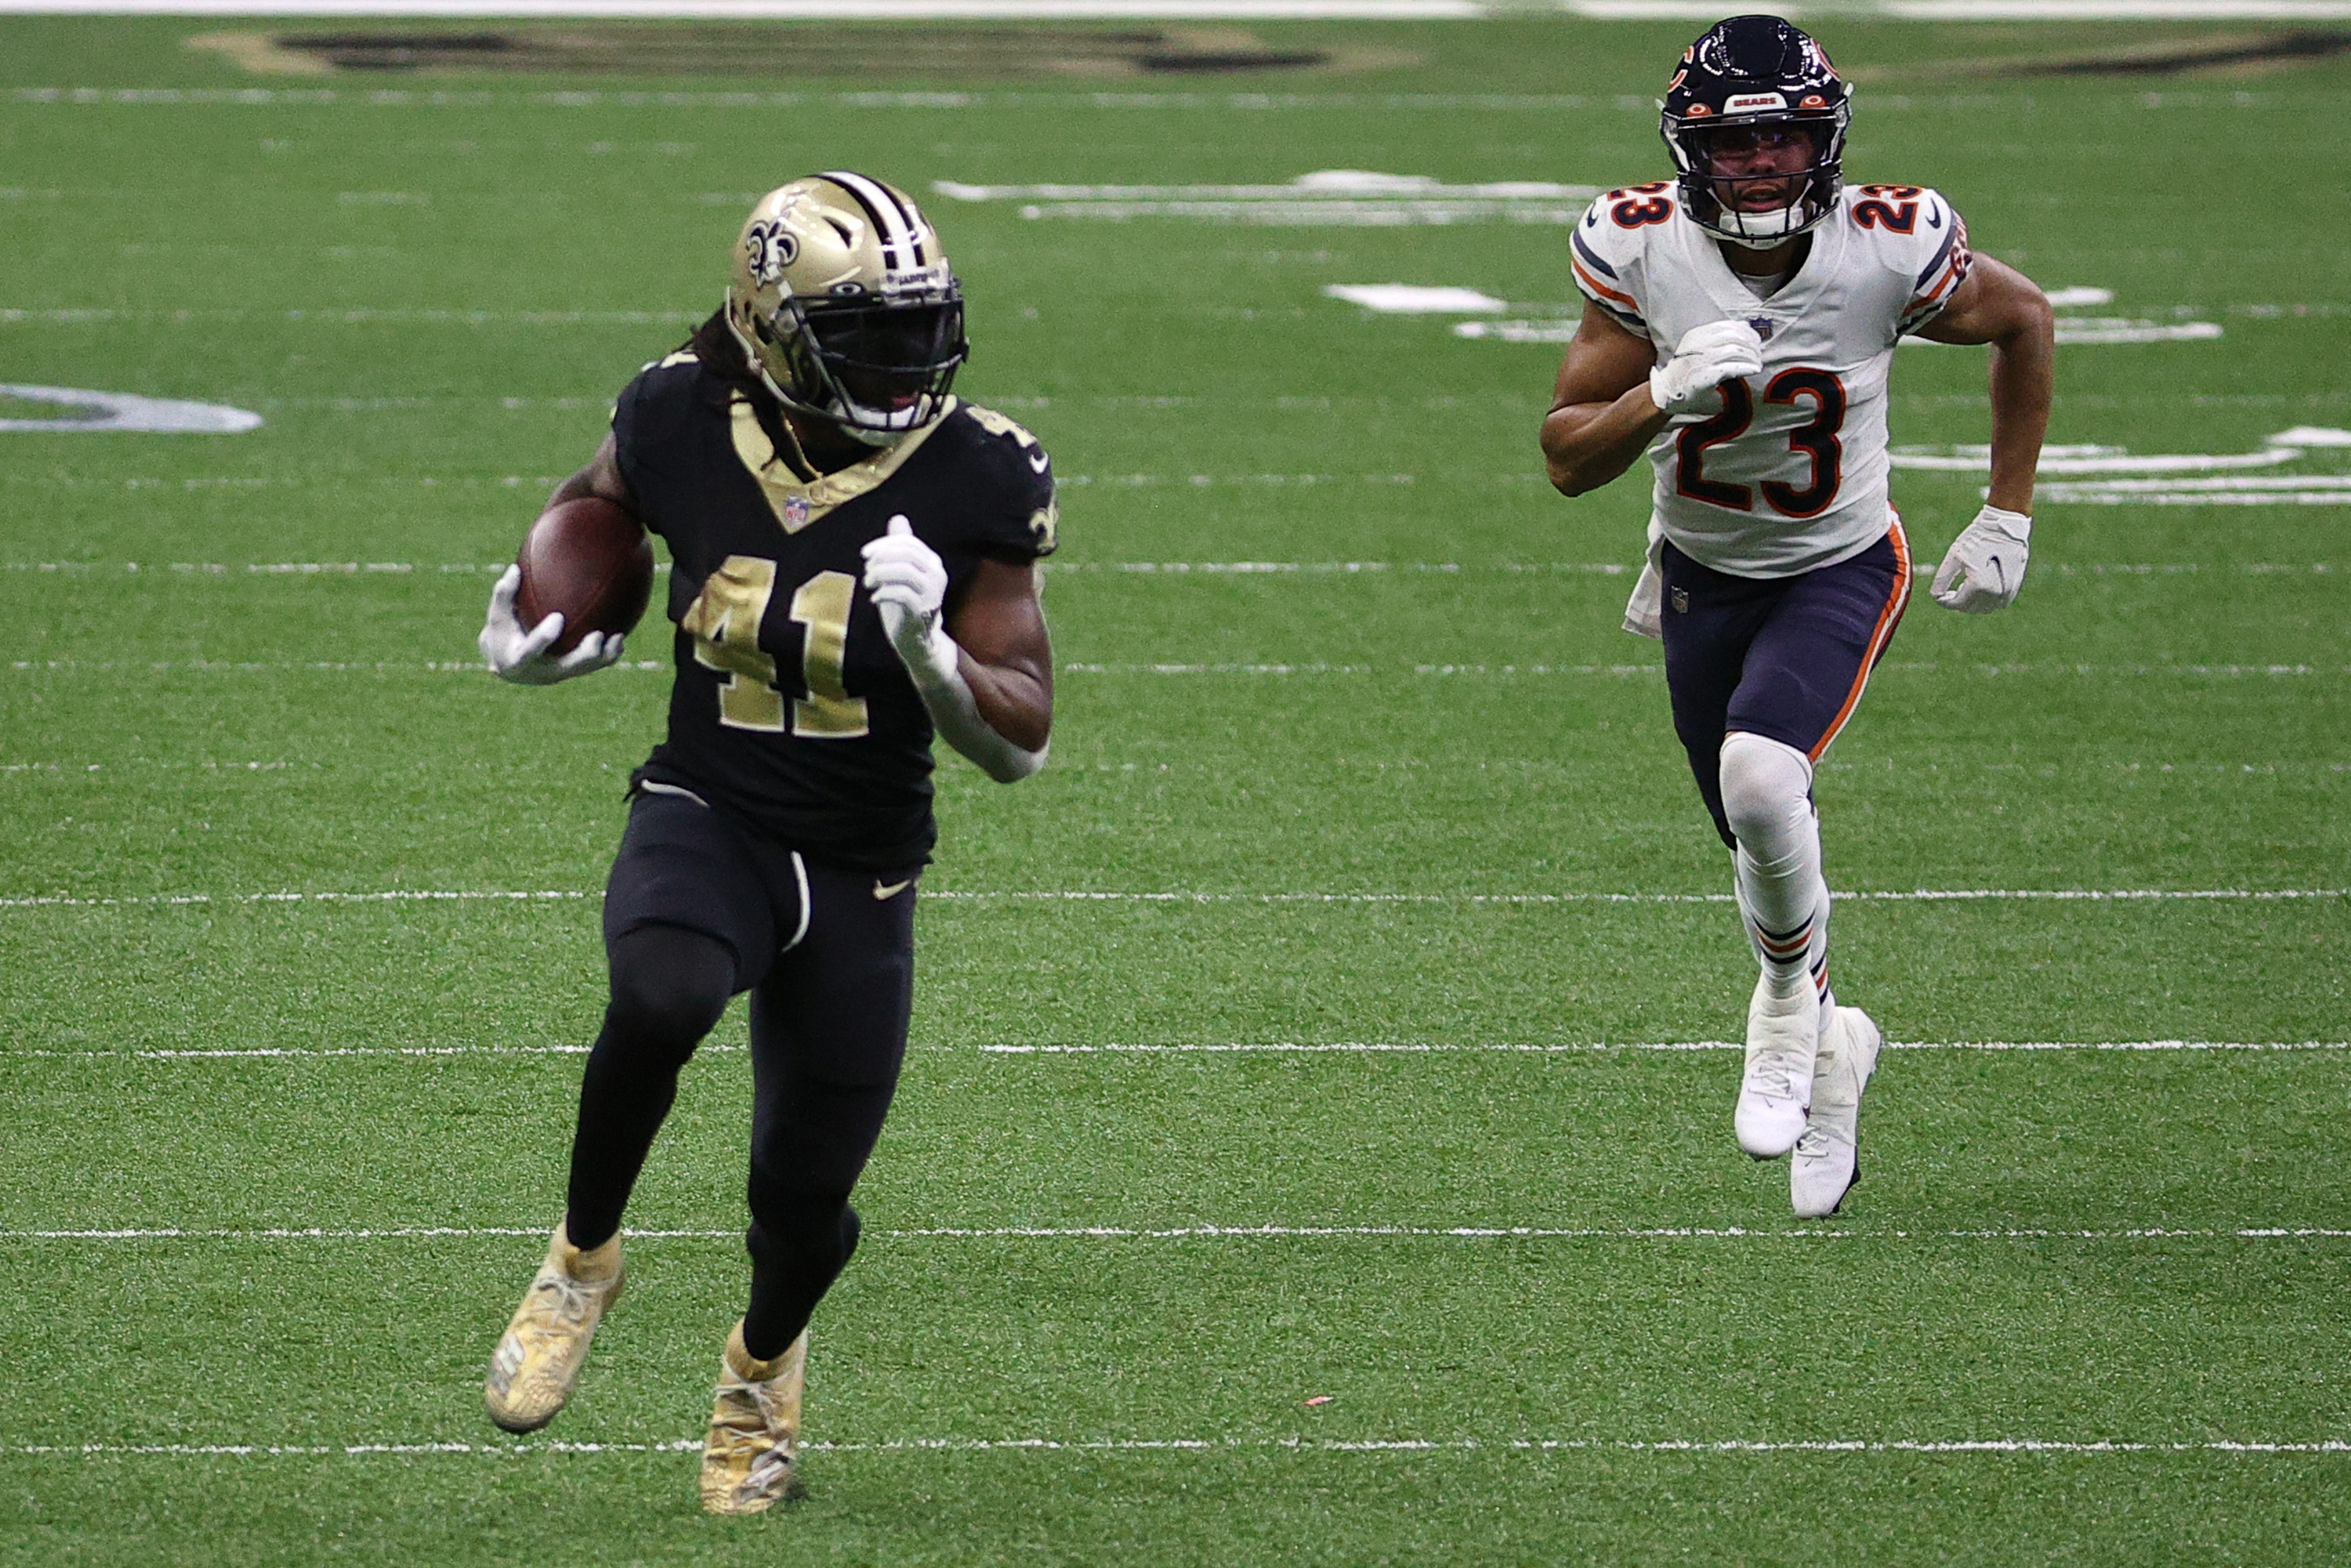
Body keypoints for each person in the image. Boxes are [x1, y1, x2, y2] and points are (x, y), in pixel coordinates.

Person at [473, 171, 1058, 1512]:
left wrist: (933, 655)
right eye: (871, 334)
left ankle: (762, 1365)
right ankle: (582, 1257)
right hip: (710, 808)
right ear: (770, 327)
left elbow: (1022, 739)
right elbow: (596, 509)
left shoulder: (980, 469)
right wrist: (536, 613)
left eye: (921, 329)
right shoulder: (680, 413)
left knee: (800, 1204)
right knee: (662, 985)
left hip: (863, 862)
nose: (908, 365)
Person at [1538, 16, 2053, 1217]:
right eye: (1735, 144)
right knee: (1758, 842)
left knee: (1766, 781)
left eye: (1785, 139)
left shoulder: (1888, 245)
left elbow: (2023, 317)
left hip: (1837, 563)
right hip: (1700, 573)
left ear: (1825, 142)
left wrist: (2008, 511)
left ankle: (1783, 1015)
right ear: (1688, 151)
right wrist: (1663, 394)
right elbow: (1566, 458)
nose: (1762, 164)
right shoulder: (1641, 249)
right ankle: (1838, 1042)